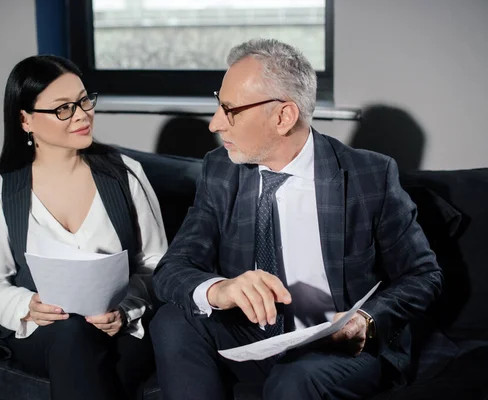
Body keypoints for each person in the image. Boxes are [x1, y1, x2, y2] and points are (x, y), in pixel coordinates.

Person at [150, 38, 443, 400]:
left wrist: (365, 321)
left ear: (283, 116)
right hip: (254, 334)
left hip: (335, 342)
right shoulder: (220, 171)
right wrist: (218, 289)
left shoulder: (370, 175)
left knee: (297, 379)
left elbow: (423, 274)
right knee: (172, 321)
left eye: (229, 110)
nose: (214, 124)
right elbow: (172, 268)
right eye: (218, 105)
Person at [0, 55, 167, 400]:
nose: (81, 115)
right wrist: (28, 305)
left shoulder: (126, 174)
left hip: (119, 328)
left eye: (84, 100)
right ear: (25, 119)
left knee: (92, 355)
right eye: (63, 108)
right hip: (44, 334)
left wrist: (126, 308)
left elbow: (157, 264)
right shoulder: (0, 192)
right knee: (72, 332)